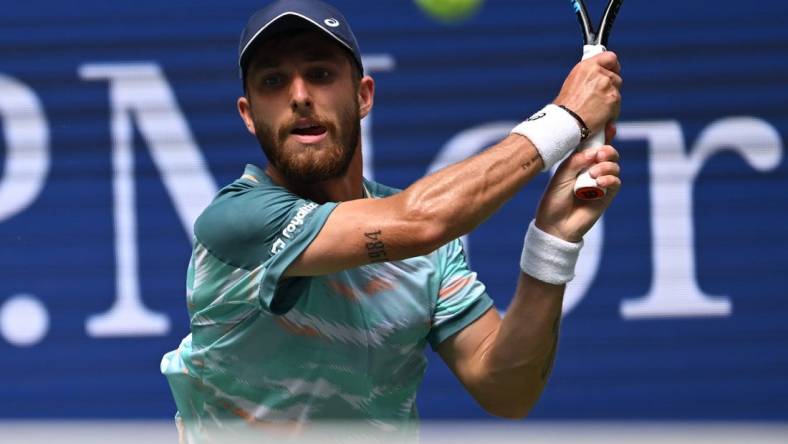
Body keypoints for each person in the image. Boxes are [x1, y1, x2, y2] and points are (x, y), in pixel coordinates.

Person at [161, 0, 622, 441]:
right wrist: (566, 118)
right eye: (273, 82)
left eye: (319, 74)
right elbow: (423, 223)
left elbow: (507, 390)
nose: (299, 96)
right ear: (249, 115)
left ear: (363, 96)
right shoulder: (235, 221)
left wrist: (553, 239)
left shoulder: (428, 253)